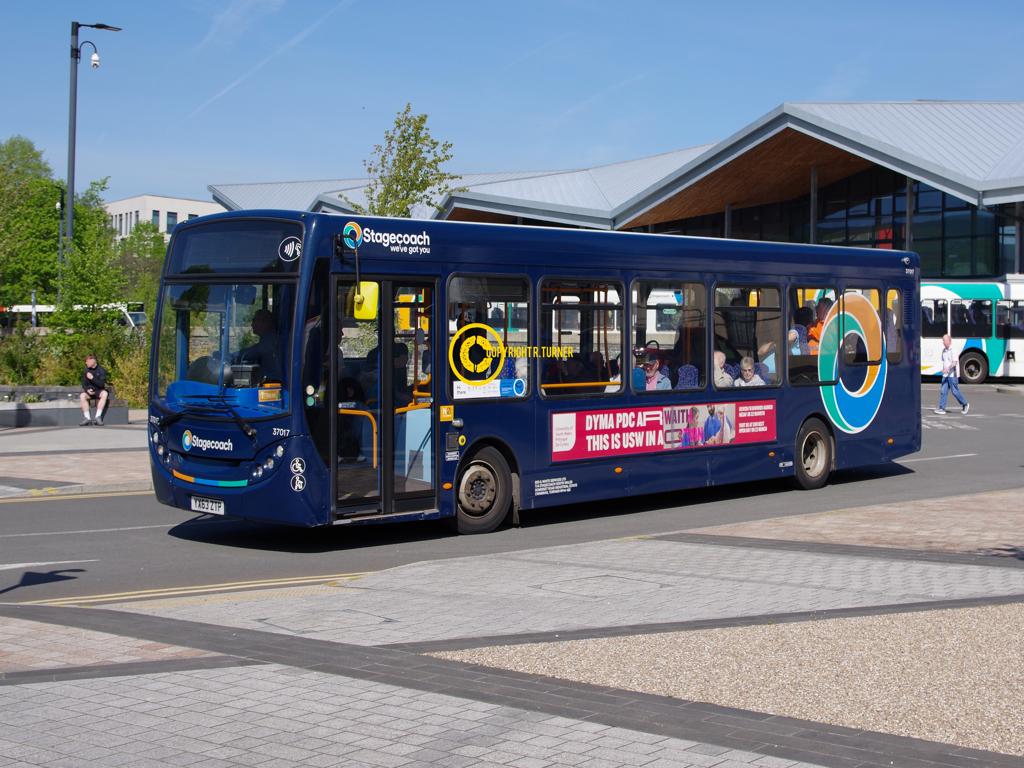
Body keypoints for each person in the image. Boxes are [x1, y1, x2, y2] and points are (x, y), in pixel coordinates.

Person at [235, 309, 281, 380]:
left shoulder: (270, 339)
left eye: (254, 321)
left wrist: (234, 355)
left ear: (265, 322)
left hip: (272, 380)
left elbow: (251, 353)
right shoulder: (267, 338)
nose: (252, 324)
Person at [935, 334, 969, 415]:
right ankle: (942, 408)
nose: (943, 342)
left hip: (952, 375)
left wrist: (947, 368)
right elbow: (944, 362)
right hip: (945, 375)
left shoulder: (953, 350)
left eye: (944, 340)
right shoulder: (944, 350)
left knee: (955, 391)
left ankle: (965, 404)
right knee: (943, 391)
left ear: (949, 341)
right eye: (943, 340)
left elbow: (954, 362)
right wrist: (943, 369)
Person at [79, 353, 109, 426]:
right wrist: (87, 390)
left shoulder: (101, 370)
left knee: (105, 394)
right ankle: (87, 418)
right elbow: (83, 384)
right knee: (82, 395)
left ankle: (97, 417)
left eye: (87, 361)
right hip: (89, 392)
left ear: (93, 361)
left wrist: (92, 378)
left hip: (99, 391)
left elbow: (101, 384)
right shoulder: (86, 370)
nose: (86, 363)